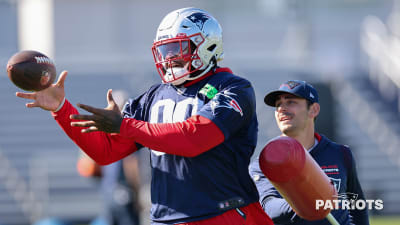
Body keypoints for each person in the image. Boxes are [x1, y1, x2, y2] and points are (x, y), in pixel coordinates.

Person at [16, 7, 273, 225]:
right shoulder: (153, 96)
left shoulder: (234, 87)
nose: (169, 57)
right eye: (165, 50)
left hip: (226, 214)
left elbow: (197, 137)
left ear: (207, 45)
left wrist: (126, 126)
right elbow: (105, 152)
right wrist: (62, 109)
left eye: (177, 48)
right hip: (167, 217)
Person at [249, 80, 370, 225]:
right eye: (278, 105)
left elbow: (357, 206)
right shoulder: (265, 162)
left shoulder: (341, 154)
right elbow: (267, 207)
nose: (281, 108)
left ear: (314, 110)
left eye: (291, 102)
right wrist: (304, 203)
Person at [76, 90, 141, 225]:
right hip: (123, 191)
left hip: (108, 190)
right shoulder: (127, 132)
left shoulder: (104, 129)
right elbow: (131, 165)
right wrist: (137, 192)